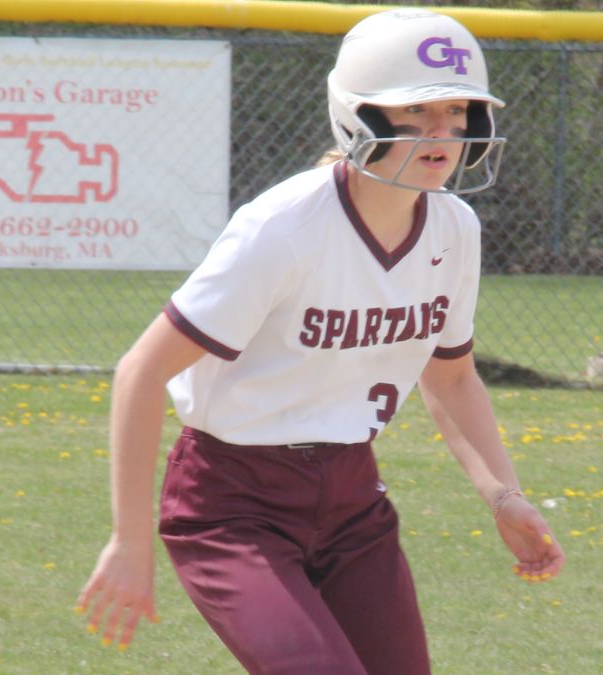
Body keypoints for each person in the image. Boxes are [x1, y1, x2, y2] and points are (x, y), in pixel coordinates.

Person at [77, 8, 565, 673]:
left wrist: (504, 497)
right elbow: (141, 371)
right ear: (357, 117)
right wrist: (129, 541)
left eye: (456, 113)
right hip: (232, 506)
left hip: (353, 502)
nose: (442, 133)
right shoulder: (284, 226)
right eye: (416, 112)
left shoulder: (454, 228)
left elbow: (450, 376)